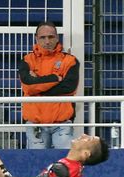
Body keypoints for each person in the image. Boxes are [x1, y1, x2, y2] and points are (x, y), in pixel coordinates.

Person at [18, 21, 80, 149]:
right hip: (36, 124)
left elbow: (69, 87)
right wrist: (56, 78)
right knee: (36, 164)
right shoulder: (27, 60)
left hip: (61, 123)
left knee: (66, 163)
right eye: (43, 37)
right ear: (36, 39)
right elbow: (28, 87)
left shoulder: (70, 60)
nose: (47, 41)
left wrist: (37, 88)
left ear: (57, 37)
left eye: (51, 37)